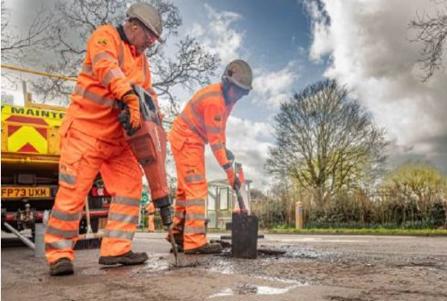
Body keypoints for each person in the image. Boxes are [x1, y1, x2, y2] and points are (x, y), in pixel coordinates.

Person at [44, 2, 163, 276]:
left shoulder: (141, 60)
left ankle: (116, 249)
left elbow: (149, 92)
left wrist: (154, 115)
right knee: (73, 193)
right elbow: (106, 68)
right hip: (85, 132)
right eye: (149, 36)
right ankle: (59, 254)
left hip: (118, 140)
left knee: (131, 184)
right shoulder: (105, 36)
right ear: (134, 26)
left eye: (154, 39)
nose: (151, 43)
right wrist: (129, 96)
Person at [168, 59, 253, 254]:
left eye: (243, 93)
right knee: (197, 187)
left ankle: (178, 234)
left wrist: (225, 147)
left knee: (185, 190)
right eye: (237, 91)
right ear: (227, 83)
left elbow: (219, 131)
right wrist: (229, 171)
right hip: (187, 138)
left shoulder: (227, 100)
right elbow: (214, 142)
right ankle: (194, 241)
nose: (239, 96)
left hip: (191, 138)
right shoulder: (215, 100)